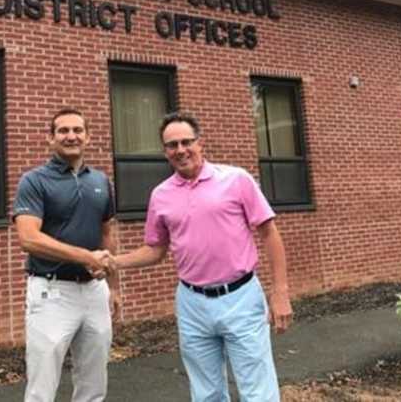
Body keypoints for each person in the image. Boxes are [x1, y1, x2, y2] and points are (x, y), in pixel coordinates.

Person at [113, 111, 292, 402]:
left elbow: (270, 233)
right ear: (164, 151)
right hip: (192, 303)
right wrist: (113, 261)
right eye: (172, 145)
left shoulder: (236, 180)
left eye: (186, 142)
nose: (180, 150)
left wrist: (280, 292)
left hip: (241, 297)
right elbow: (155, 249)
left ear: (200, 143)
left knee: (258, 392)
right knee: (206, 393)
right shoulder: (160, 195)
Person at [14, 107, 119, 402]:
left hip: (94, 292)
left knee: (94, 383)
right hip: (52, 292)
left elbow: (108, 233)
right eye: (63, 131)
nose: (71, 136)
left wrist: (113, 286)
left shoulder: (100, 181)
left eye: (77, 130)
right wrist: (86, 256)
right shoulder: (34, 181)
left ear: (88, 136)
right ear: (50, 138)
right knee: (42, 387)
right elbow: (29, 238)